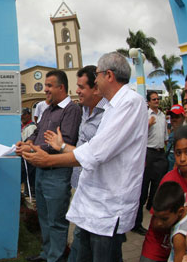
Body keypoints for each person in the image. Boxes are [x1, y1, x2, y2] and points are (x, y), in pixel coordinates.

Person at [22, 52, 148, 262]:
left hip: (108, 208)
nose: (95, 80)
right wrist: (60, 147)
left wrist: (49, 159)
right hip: (92, 204)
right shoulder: (111, 106)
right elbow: (88, 149)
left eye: (97, 74)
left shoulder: (129, 103)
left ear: (108, 75)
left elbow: (96, 152)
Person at [16, 69, 82, 262]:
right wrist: (28, 142)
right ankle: (46, 254)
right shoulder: (46, 109)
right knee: (44, 217)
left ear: (61, 87)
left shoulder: (72, 110)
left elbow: (66, 141)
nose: (45, 90)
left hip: (57, 173)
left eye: (49, 86)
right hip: (41, 172)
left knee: (56, 221)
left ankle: (56, 257)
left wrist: (33, 148)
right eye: (45, 86)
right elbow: (37, 132)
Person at [43, 65, 107, 262]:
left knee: (101, 248)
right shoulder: (85, 111)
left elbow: (93, 154)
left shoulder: (107, 115)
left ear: (95, 88)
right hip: (80, 185)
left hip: (99, 193)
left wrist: (56, 150)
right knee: (80, 240)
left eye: (81, 87)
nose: (77, 91)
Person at [141, 125, 187, 262]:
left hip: (185, 250)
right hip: (157, 248)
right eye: (178, 153)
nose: (183, 159)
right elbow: (156, 220)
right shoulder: (169, 179)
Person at [134, 91, 169, 236]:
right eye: (154, 99)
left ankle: (155, 221)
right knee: (142, 191)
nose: (156, 101)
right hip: (148, 154)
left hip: (161, 154)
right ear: (148, 102)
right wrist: (147, 125)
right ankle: (136, 223)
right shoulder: (145, 116)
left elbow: (165, 136)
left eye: (158, 99)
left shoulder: (162, 116)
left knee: (157, 189)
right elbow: (137, 135)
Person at [151, 181, 187, 262]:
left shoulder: (178, 237)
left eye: (164, 219)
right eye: (156, 217)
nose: (159, 223)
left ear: (180, 211)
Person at [21, 107, 37, 197]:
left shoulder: (31, 127)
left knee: (30, 176)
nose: (22, 117)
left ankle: (32, 193)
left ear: (28, 115)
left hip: (30, 155)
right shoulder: (22, 126)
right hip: (24, 155)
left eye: (24, 114)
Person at [166, 105, 186, 171]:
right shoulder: (171, 135)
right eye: (172, 117)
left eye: (177, 117)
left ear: (183, 118)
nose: (174, 119)